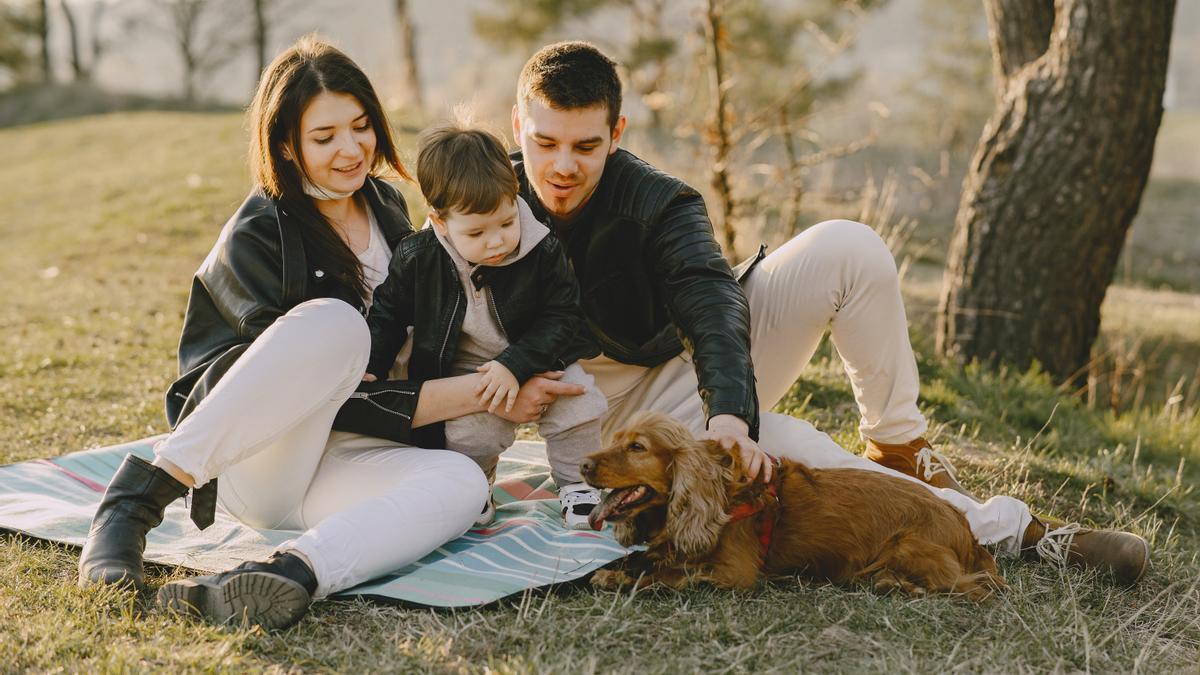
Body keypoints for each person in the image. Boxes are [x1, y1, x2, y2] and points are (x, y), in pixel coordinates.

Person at [504, 41, 1151, 584]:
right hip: (602, 419)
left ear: (616, 134)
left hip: (694, 371)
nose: (563, 166)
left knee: (850, 246)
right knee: (805, 456)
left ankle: (901, 444)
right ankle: (1021, 531)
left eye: (585, 146)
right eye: (545, 143)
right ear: (517, 129)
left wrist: (732, 415)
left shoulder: (661, 201)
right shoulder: (484, 200)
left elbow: (711, 299)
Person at [76, 36, 491, 630]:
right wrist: (475, 394)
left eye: (362, 126)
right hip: (259, 458)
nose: (351, 150)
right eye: (324, 138)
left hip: (339, 460)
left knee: (461, 484)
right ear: (287, 146)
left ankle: (289, 573)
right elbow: (294, 386)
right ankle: (133, 503)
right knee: (336, 324)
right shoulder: (258, 232)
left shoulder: (389, 208)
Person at [363, 121, 608, 529]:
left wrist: (517, 363)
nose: (497, 241)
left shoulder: (542, 248)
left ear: (514, 198)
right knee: (470, 431)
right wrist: (373, 359)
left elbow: (562, 315)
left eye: (506, 223)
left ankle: (578, 484)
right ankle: (473, 483)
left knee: (579, 405)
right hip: (466, 369)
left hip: (540, 354)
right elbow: (389, 312)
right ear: (440, 222)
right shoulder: (418, 256)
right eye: (476, 232)